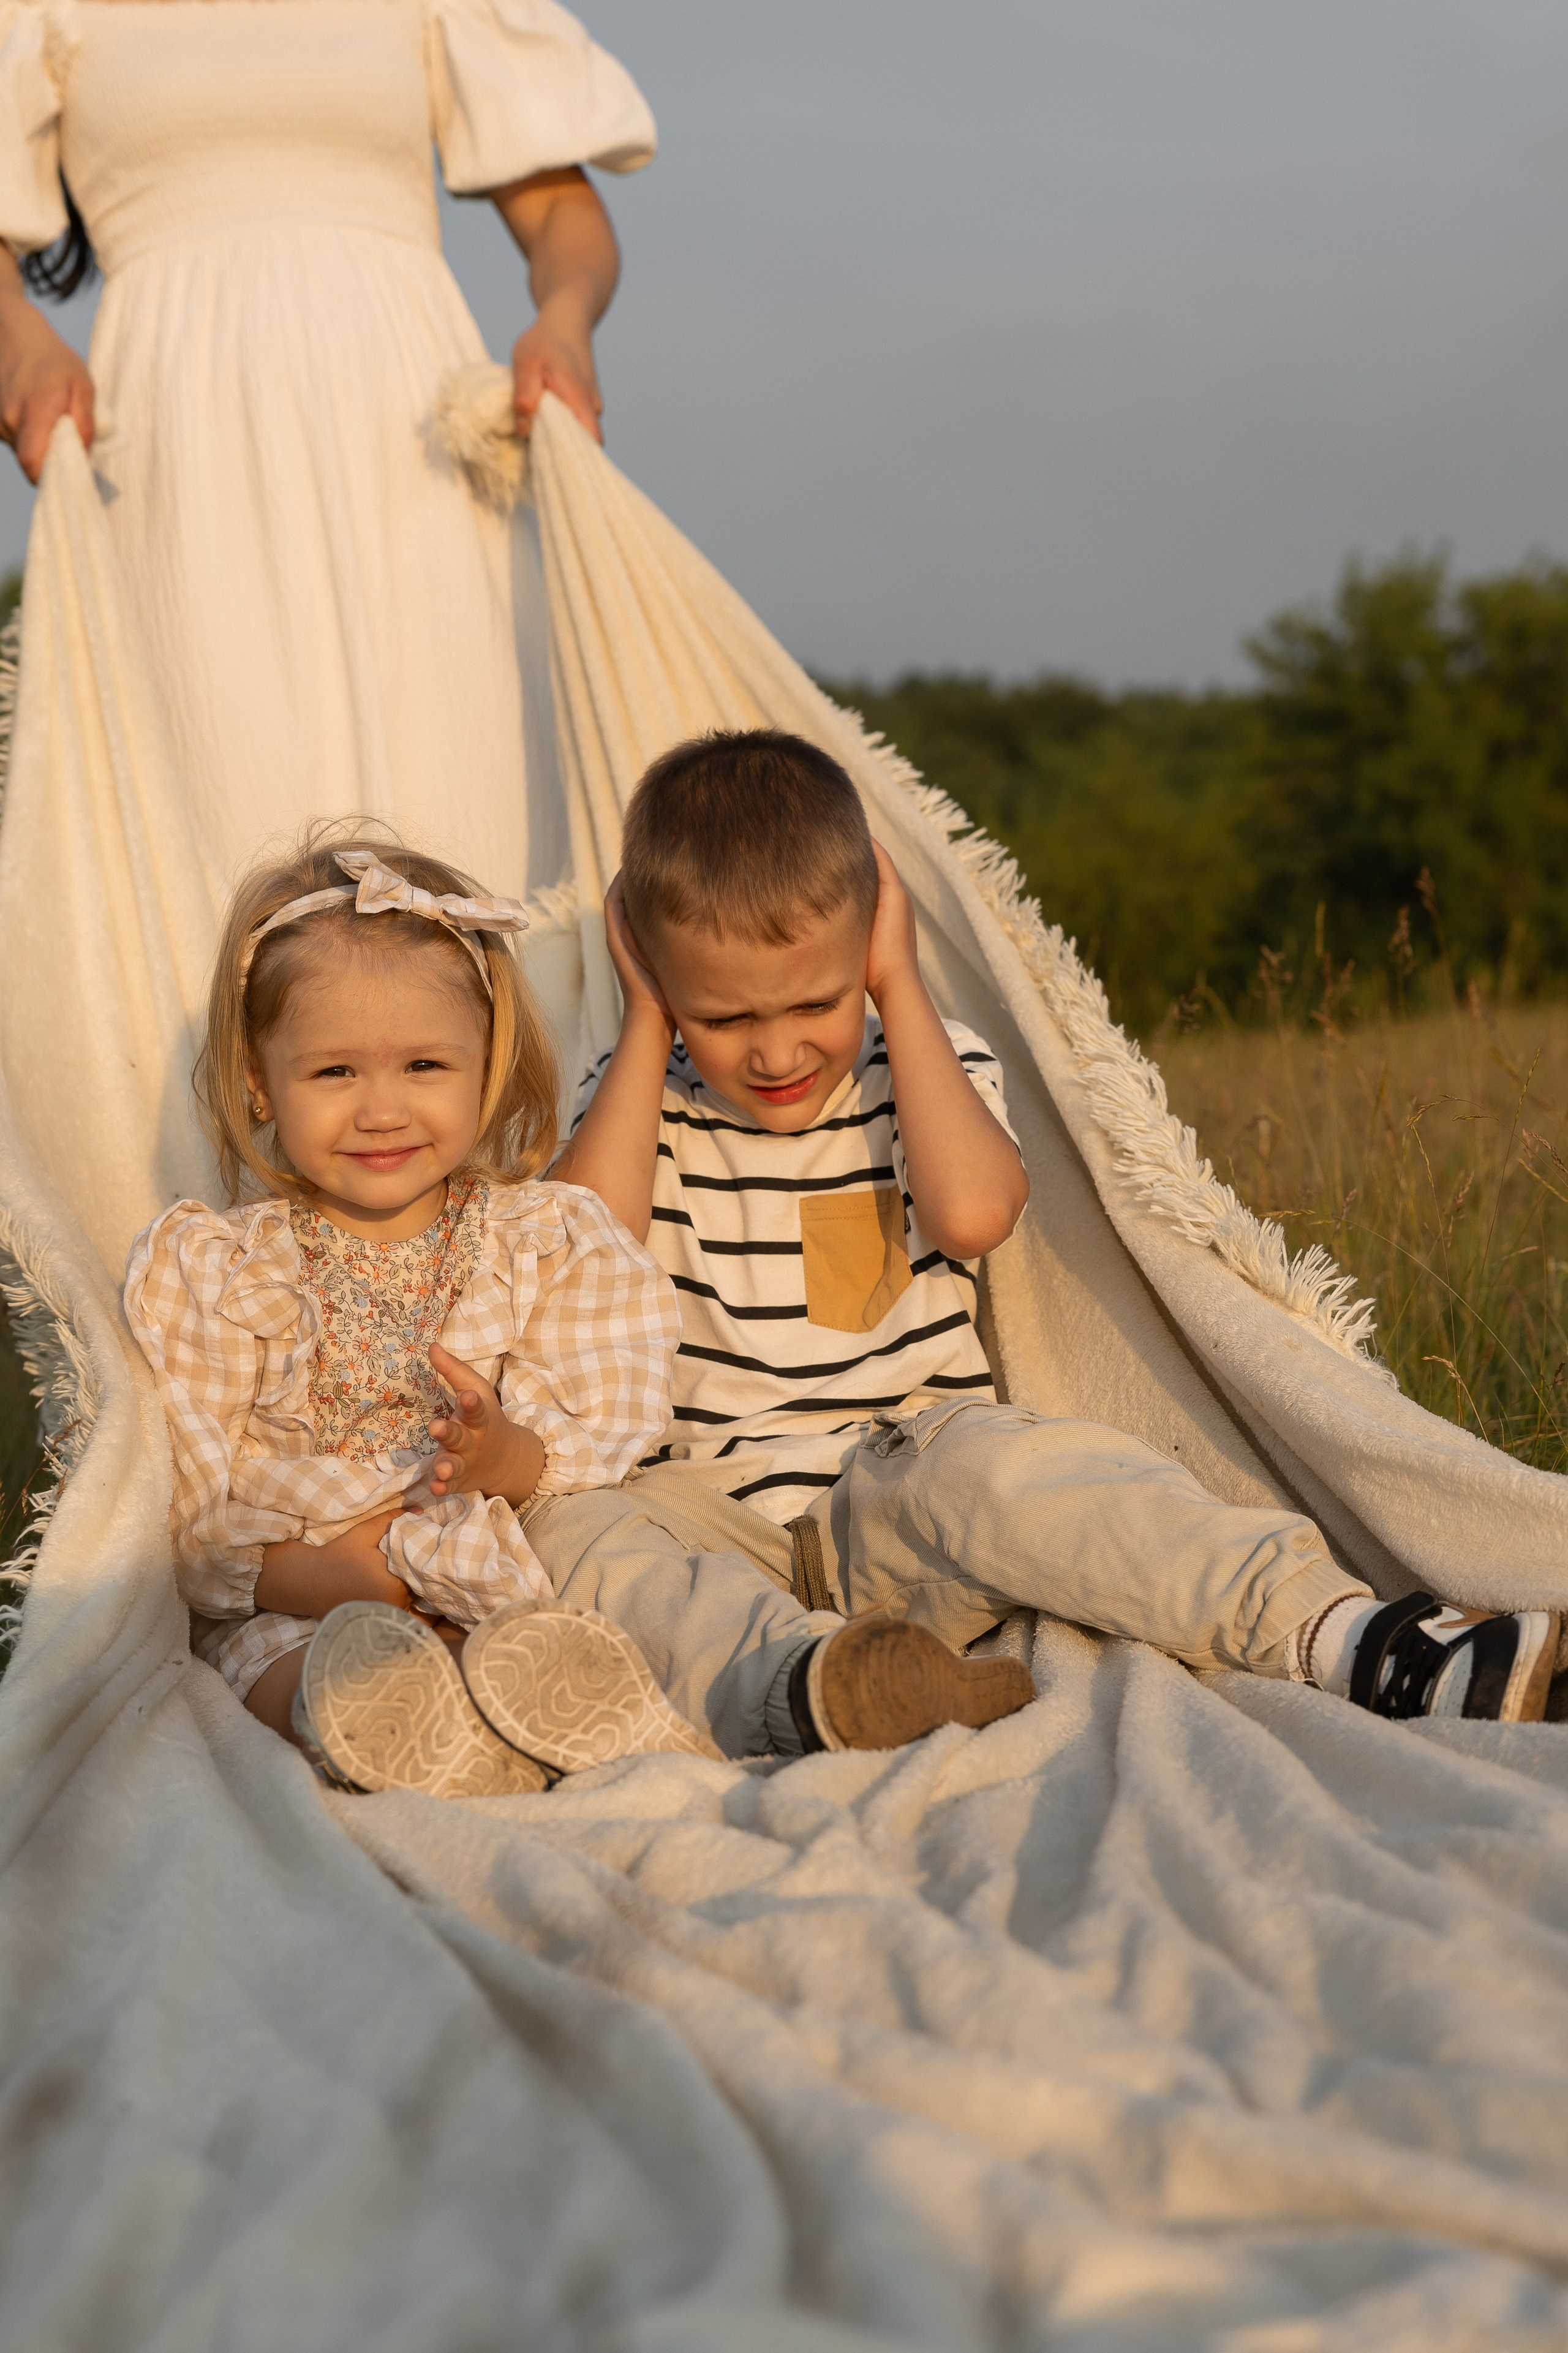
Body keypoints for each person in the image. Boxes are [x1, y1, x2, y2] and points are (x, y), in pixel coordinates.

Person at [533, 728, 1564, 1750]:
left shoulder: (921, 1069)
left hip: (903, 1494)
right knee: (580, 1527)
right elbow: (574, 1256)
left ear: (871, 943)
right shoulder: (637, 1098)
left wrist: (899, 982)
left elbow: (974, 1214)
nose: (775, 1049)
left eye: (817, 1000)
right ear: (658, 978)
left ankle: (1361, 1643)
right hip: (714, 1520)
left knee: (1021, 1468)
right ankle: (817, 1688)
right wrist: (649, 1023)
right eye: (724, 1018)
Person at [0, 0, 653, 889]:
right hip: (184, 455)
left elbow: (560, 212)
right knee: (224, 814)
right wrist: (22, 340)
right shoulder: (45, 13)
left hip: (417, 450)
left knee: (468, 811)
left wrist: (566, 317)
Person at [123, 828, 717, 1799]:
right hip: (303, 1589)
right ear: (258, 1080)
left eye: (425, 1067)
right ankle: (396, 1727)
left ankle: (548, 1712)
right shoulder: (222, 1269)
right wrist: (326, 1578)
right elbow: (187, 1504)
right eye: (335, 1073)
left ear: (487, 1067)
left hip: (491, 1562)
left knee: (583, 1584)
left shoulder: (536, 1240)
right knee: (288, 1673)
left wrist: (501, 1454)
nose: (382, 1110)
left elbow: (590, 1435)